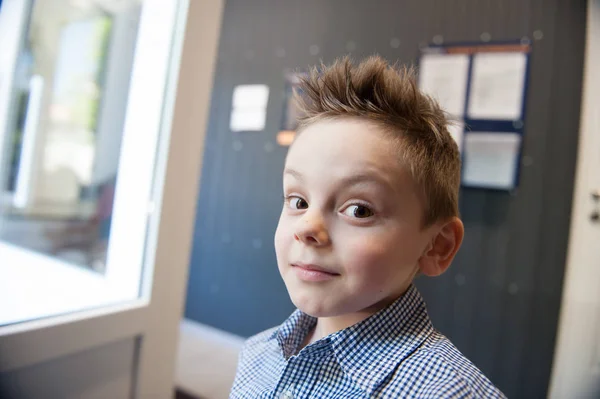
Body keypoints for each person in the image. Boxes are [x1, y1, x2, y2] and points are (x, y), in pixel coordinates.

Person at [230, 56, 506, 398]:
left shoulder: (447, 392)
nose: (307, 227)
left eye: (359, 210)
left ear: (437, 246)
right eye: (298, 201)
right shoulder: (258, 353)